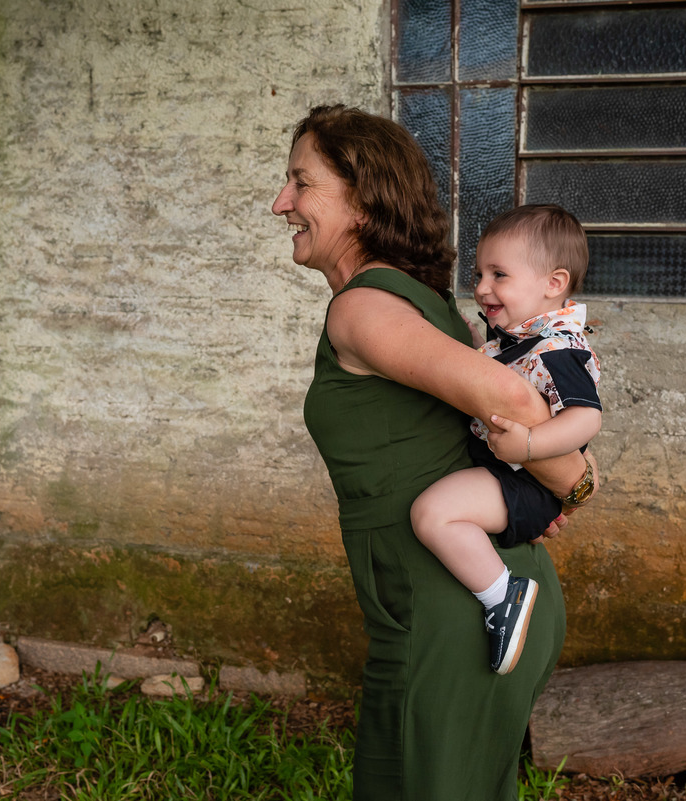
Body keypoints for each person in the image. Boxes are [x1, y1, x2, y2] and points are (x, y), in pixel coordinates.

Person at [271, 104, 598, 801]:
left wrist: (569, 484)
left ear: (360, 199)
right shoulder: (415, 301)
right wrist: (540, 492)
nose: (281, 203)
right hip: (446, 609)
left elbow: (507, 400)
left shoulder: (362, 308)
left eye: (301, 183)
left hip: (451, 618)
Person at [411, 204, 601, 678]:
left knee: (433, 514)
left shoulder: (557, 349)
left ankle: (503, 596)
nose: (481, 287)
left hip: (525, 481)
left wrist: (530, 446)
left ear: (553, 284)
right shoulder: (514, 339)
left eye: (499, 274)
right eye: (479, 273)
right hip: (509, 474)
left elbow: (586, 419)